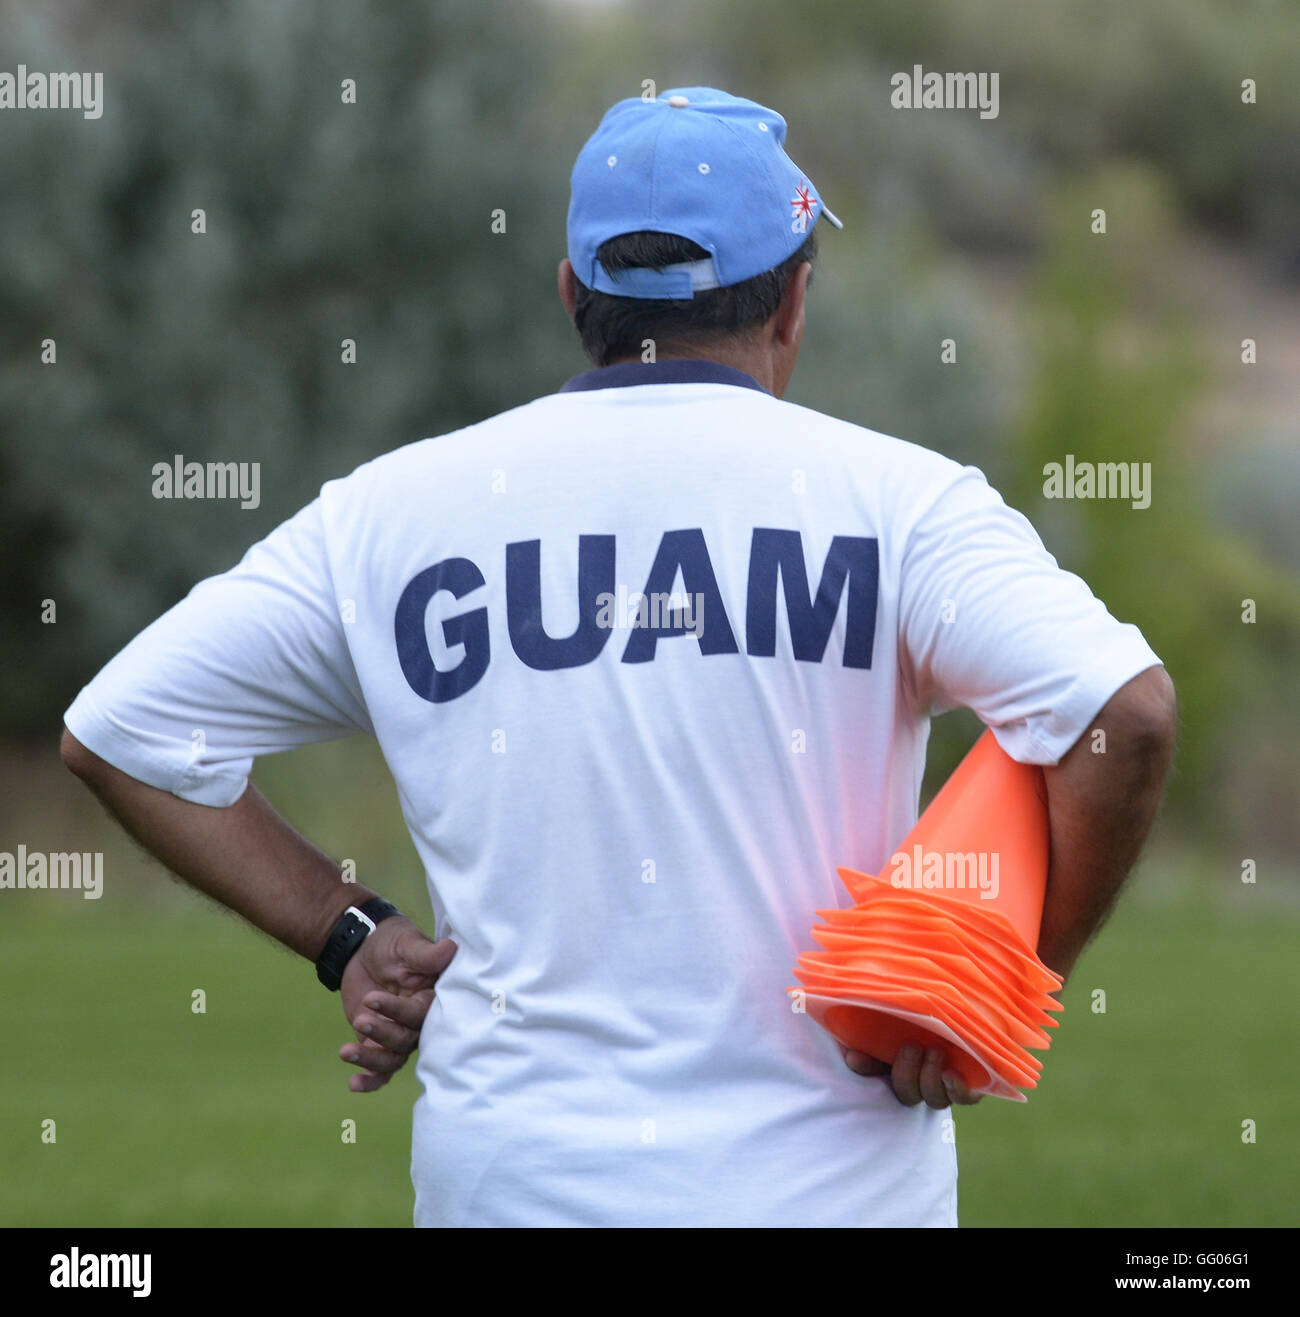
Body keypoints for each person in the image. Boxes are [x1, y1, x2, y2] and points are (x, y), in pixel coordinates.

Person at [61, 87, 1176, 1227]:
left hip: (512, 1191)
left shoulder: (389, 515)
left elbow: (123, 731)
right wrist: (992, 992)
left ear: (570, 297)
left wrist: (346, 932)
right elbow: (1123, 718)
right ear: (795, 299)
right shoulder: (903, 505)